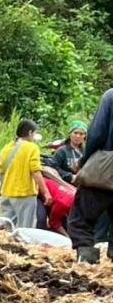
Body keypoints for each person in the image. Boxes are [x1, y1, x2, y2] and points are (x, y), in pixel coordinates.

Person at [70, 87, 113, 263]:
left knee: (82, 216)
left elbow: (96, 133)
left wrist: (84, 161)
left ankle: (87, 261)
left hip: (107, 165)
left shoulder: (110, 96)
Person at [0, 119, 50, 229]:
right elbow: (36, 171)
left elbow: (2, 171)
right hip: (24, 194)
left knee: (7, 227)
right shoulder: (31, 147)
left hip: (7, 193)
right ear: (30, 133)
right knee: (25, 228)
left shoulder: (6, 148)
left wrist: (2, 190)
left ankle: (4, 245)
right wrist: (45, 192)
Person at [39, 167, 75, 234]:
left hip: (53, 193)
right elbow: (53, 222)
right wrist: (67, 237)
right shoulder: (64, 204)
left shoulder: (76, 193)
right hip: (37, 191)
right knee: (41, 220)